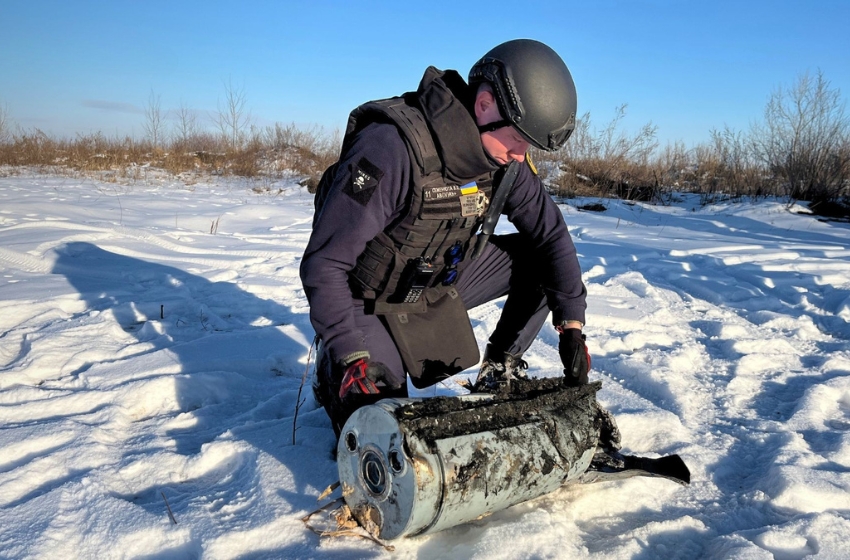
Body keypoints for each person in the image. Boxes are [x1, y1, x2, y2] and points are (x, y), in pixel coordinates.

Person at [300, 39, 590, 437]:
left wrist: (572, 324)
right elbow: (325, 264)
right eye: (518, 139)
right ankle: (334, 366)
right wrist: (350, 352)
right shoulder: (390, 148)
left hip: (436, 283)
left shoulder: (504, 161)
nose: (521, 155)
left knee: (540, 261)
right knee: (388, 433)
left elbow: (551, 234)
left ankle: (498, 372)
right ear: (486, 103)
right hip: (366, 297)